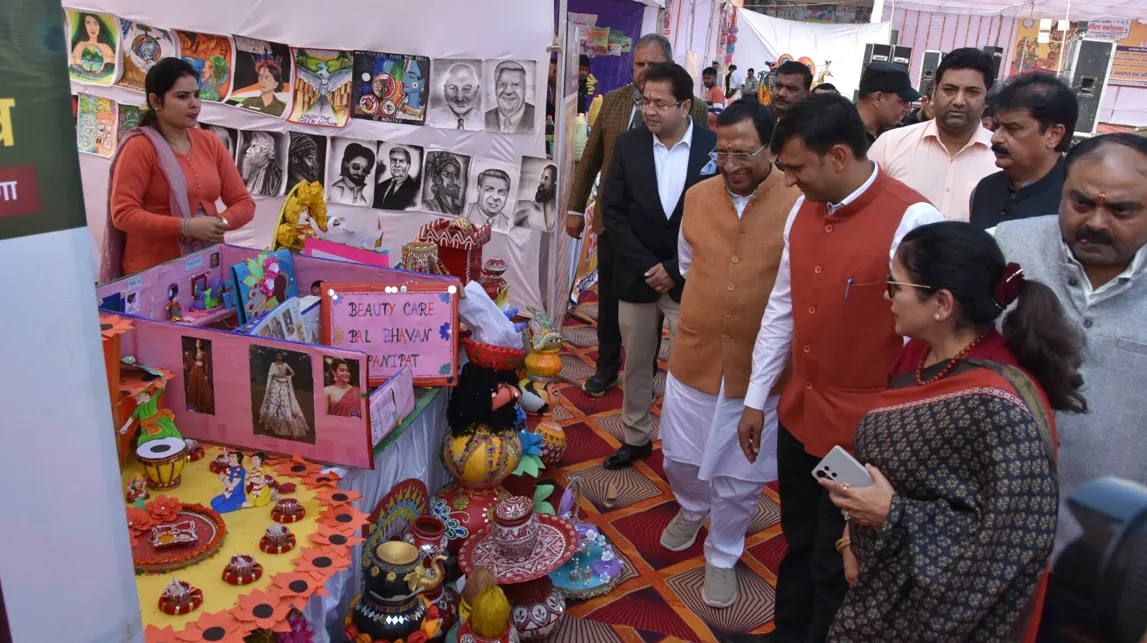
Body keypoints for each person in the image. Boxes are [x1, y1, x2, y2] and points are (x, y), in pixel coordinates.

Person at [730, 94, 943, 643]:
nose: (790, 181)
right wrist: (756, 398)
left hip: (862, 434)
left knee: (840, 557)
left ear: (840, 156)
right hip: (801, 412)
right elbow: (784, 306)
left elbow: (929, 343)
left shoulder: (913, 219)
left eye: (798, 168)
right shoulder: (804, 208)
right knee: (798, 537)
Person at [822, 221, 1082, 641]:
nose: (887, 297)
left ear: (941, 303)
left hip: (938, 615)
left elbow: (1008, 545)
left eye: (896, 286)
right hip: (880, 576)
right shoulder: (917, 352)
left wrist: (893, 515)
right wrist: (850, 538)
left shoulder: (1001, 403)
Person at [991, 133, 1147, 642]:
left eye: (1123, 210)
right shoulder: (1006, 249)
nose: (1097, 222)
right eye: (1080, 203)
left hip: (1109, 550)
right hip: (992, 532)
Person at [660, 100, 801, 608]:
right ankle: (692, 506)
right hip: (695, 351)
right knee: (680, 454)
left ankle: (723, 552)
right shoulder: (698, 196)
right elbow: (685, 262)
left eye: (744, 153)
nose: (732, 165)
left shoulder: (796, 198)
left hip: (757, 368)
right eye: (722, 154)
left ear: (771, 149)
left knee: (741, 473)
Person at [566, 34, 710, 397]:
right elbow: (593, 158)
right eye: (638, 64)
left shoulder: (697, 110)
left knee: (663, 312)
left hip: (671, 234)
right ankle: (607, 366)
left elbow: (700, 165)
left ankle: (645, 369)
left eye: (652, 64)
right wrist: (574, 208)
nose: (644, 72)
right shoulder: (613, 102)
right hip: (616, 224)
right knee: (613, 302)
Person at [600, 62, 718, 471]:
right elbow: (612, 212)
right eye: (645, 100)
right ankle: (636, 437)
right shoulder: (628, 145)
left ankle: (686, 445)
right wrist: (649, 265)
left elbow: (721, 220)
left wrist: (675, 268)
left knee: (690, 367)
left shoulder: (711, 149)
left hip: (690, 278)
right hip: (636, 275)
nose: (649, 110)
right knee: (635, 362)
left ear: (685, 106)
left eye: (660, 103)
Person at [103, 57, 254, 282]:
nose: (195, 104)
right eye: (182, 97)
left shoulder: (209, 142)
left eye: (197, 95)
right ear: (156, 101)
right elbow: (123, 215)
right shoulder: (140, 147)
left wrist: (219, 223)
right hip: (152, 276)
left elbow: (244, 203)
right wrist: (185, 226)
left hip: (207, 268)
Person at [869, 48, 998, 222]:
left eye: (972, 92)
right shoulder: (890, 145)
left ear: (987, 98)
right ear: (934, 91)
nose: (959, 101)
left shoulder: (1002, 157)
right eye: (949, 89)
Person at [969, 72, 1077, 230]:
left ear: (1054, 135)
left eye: (1013, 128)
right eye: (997, 127)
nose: (996, 138)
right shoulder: (984, 190)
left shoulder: (1075, 203)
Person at [854, 61, 918, 143]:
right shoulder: (839, 134)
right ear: (878, 99)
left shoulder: (894, 137)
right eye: (903, 101)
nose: (907, 109)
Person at [259, 352, 310, 439]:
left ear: (282, 357)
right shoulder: (273, 364)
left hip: (284, 385)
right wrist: (276, 374)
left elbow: (293, 373)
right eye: (277, 355)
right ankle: (272, 425)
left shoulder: (285, 365)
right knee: (273, 403)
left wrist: (287, 376)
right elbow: (270, 374)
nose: (278, 357)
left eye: (280, 355)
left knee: (284, 404)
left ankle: (286, 426)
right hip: (275, 385)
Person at [485, 61, 535, 134]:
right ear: (496, 89)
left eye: (515, 84)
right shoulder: (485, 119)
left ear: (524, 90)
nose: (508, 91)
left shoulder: (537, 117)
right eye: (502, 84)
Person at [373, 146, 421, 211]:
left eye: (401, 161)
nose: (397, 165)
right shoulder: (380, 186)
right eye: (394, 160)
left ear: (408, 166)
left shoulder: (415, 190)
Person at [438, 62, 482, 130]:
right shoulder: (432, 117)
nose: (459, 98)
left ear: (477, 90)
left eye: (466, 89)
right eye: (453, 88)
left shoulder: (484, 122)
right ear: (444, 90)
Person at [514, 163, 557, 231]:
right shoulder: (528, 207)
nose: (542, 182)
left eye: (547, 178)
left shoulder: (559, 213)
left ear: (554, 183)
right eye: (542, 177)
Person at [239, 131, 283, 197]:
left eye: (254, 146)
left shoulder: (275, 175)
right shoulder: (255, 169)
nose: (248, 150)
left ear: (266, 150)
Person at [184, 338, 214, 414]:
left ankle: (202, 407)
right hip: (193, 372)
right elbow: (189, 362)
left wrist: (206, 375)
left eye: (199, 343)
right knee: (194, 388)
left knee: (204, 388)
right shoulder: (193, 353)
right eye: (197, 342)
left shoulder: (204, 353)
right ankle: (194, 407)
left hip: (200, 372)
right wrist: (188, 357)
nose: (198, 344)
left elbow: (206, 365)